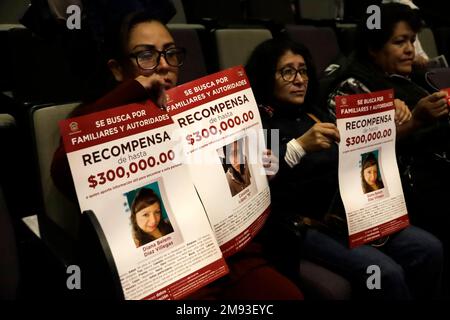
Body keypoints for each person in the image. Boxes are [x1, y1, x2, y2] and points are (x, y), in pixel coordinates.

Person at [51, 10, 303, 300]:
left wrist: (256, 169)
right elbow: (62, 172)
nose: (163, 66)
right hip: (165, 276)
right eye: (146, 56)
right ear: (118, 69)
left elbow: (223, 185)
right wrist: (133, 91)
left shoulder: (194, 110)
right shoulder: (99, 117)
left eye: (170, 53)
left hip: (227, 258)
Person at [245, 36, 443, 299]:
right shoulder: (261, 122)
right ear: (266, 76)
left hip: (351, 213)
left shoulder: (312, 113)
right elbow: (257, 178)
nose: (299, 79)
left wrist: (388, 116)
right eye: (287, 72)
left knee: (428, 248)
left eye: (303, 70)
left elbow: (362, 149)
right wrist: (300, 146)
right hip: (303, 226)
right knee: (384, 272)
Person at [326, 3, 450, 295]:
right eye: (399, 42)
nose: (409, 49)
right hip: (390, 196)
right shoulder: (352, 87)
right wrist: (416, 121)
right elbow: (359, 154)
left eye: (411, 40)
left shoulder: (414, 79)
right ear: (373, 47)